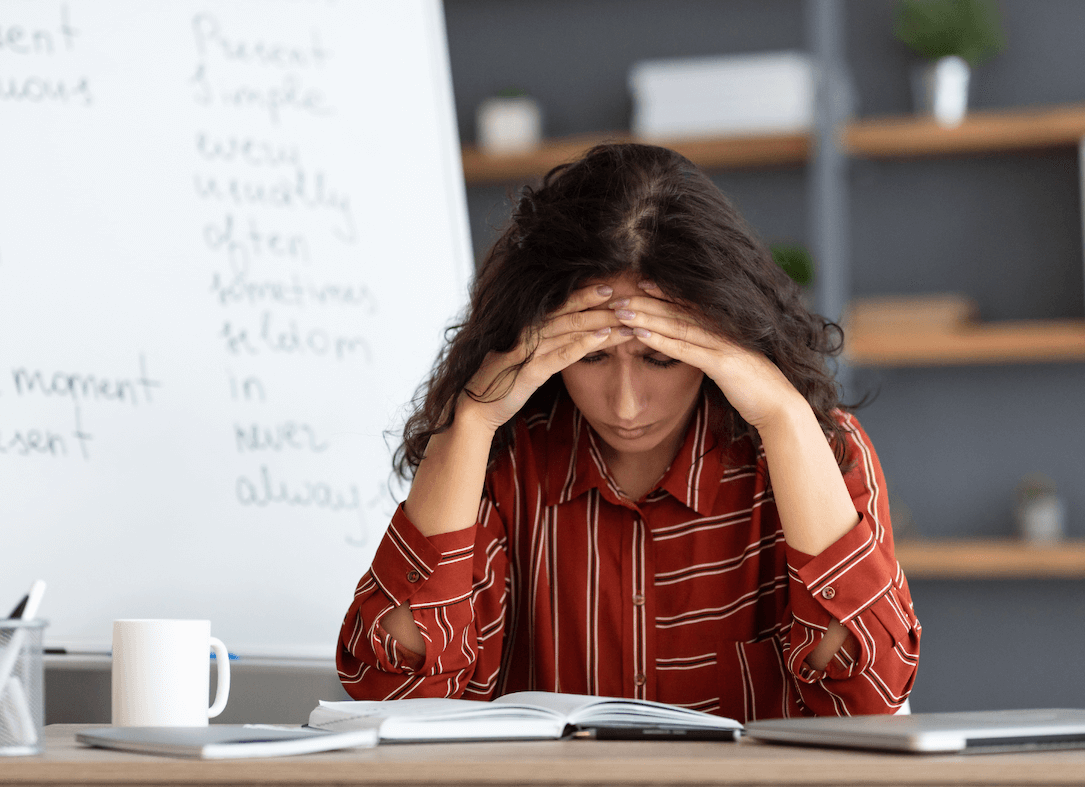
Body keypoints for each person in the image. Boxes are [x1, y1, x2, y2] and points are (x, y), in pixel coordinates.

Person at [337, 143, 919, 720]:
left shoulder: (820, 449)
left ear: (727, 341)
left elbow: (867, 700)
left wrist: (784, 417)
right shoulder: (503, 459)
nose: (625, 403)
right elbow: (396, 694)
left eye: (661, 358)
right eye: (589, 358)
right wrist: (470, 420)